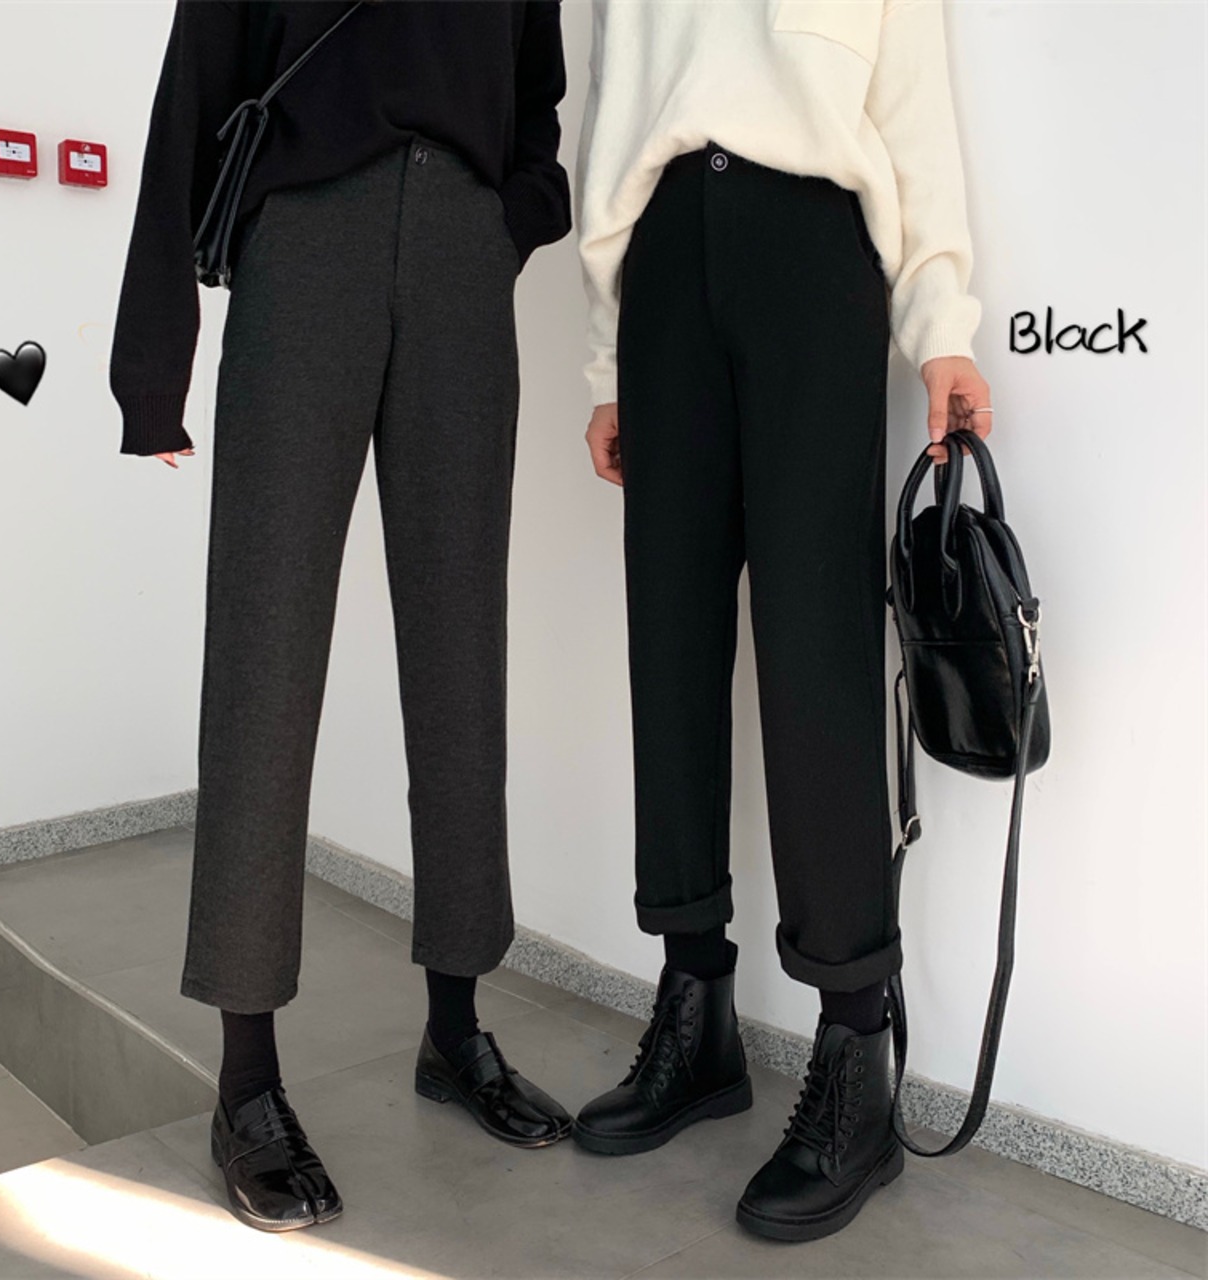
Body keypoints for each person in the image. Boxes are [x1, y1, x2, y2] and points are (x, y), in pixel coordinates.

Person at [109, 0, 574, 1233]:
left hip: (462, 260)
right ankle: (246, 1079)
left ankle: (454, 1027)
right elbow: (191, 94)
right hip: (306, 245)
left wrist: (508, 216)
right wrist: (152, 366)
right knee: (263, 658)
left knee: (461, 653)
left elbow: (534, 96)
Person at [572, 0, 993, 1242]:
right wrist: (605, 360)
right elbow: (615, 123)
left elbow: (913, 119)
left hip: (811, 248)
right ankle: (694, 1005)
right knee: (670, 642)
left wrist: (941, 329)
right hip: (664, 259)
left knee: (817, 658)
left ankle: (854, 1051)